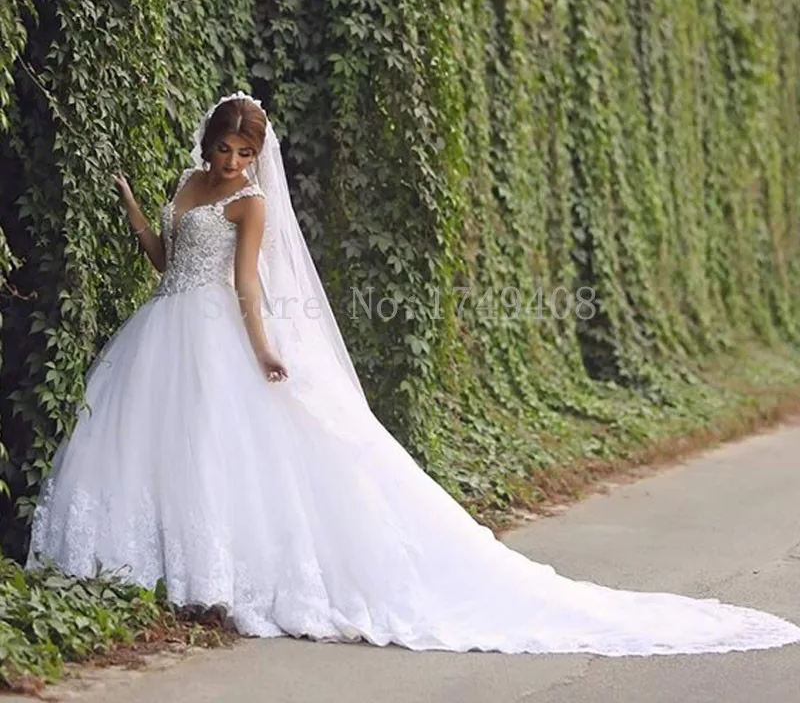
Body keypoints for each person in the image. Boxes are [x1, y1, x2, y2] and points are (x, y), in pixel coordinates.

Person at [25, 91, 800, 655]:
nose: (229, 163)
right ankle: (150, 569)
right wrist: (134, 213)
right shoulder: (189, 184)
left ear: (257, 157)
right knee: (157, 448)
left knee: (220, 452)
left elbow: (246, 286)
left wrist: (263, 348)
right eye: (222, 150)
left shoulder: (250, 204)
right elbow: (168, 262)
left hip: (218, 334)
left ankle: (217, 580)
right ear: (206, 143)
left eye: (242, 154)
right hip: (163, 326)